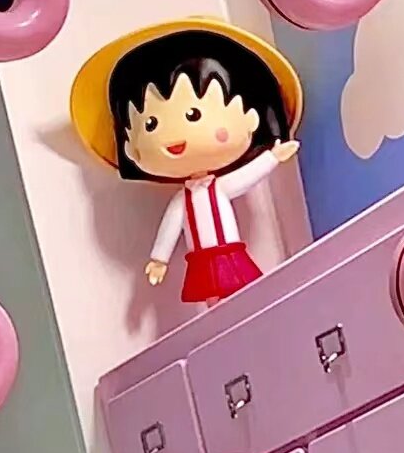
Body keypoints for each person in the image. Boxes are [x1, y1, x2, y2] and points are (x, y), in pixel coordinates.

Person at [70, 18, 303, 306]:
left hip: (228, 252)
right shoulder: (184, 200)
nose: (172, 138)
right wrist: (159, 259)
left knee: (242, 293)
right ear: (129, 146)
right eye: (150, 124)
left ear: (251, 118)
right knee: (212, 299)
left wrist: (271, 157)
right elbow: (171, 225)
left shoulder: (219, 188)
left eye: (194, 115)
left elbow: (246, 178)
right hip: (201, 259)